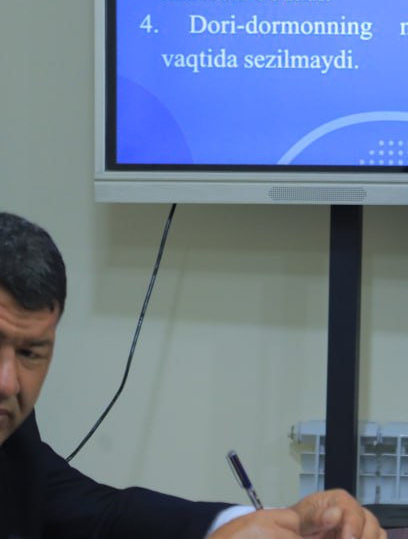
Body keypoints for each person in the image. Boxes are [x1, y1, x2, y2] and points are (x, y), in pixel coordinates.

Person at [0, 211, 386, 539]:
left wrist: (271, 523)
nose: (9, 383)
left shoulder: (13, 436)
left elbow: (95, 513)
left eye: (31, 353)